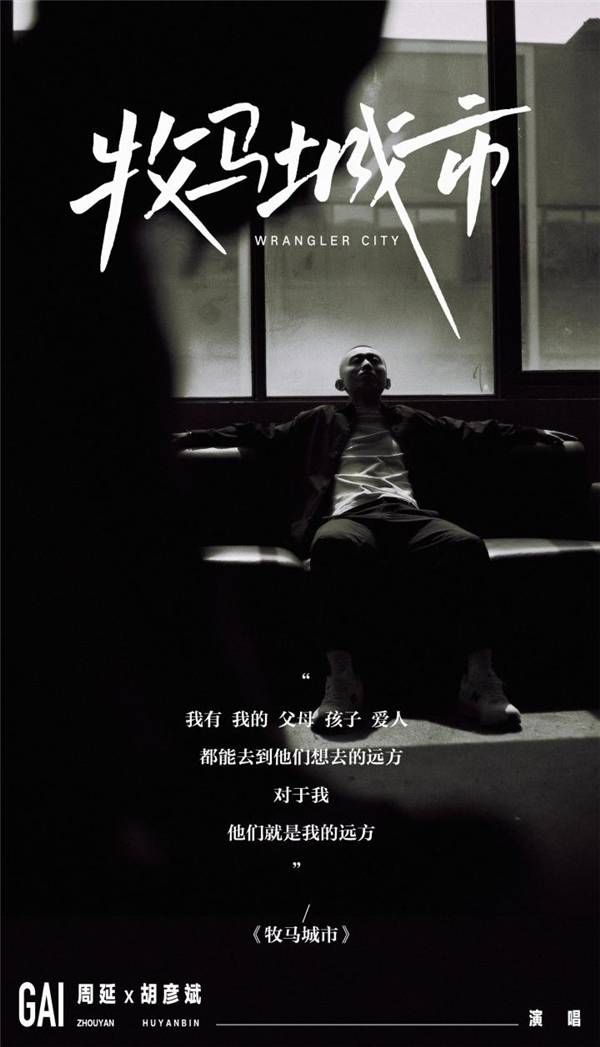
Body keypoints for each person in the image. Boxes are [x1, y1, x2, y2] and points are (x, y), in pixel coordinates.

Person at [175, 345, 561, 732]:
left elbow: (472, 432)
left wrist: (533, 432)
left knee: (466, 546)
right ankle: (343, 681)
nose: (366, 364)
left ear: (387, 381)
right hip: (349, 517)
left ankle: (479, 681)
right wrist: (191, 436)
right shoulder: (319, 420)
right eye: (356, 361)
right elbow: (259, 434)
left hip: (409, 515)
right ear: (340, 383)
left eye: (374, 360)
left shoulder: (413, 420)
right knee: (332, 546)